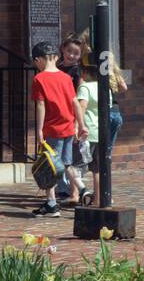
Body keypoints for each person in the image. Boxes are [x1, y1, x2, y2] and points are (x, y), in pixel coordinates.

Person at [30, 41, 88, 217]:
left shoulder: (39, 79)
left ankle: (52, 204)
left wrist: (39, 129)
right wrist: (81, 125)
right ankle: (83, 189)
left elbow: (41, 105)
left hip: (52, 129)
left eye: (35, 62)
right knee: (66, 163)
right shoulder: (65, 78)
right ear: (56, 57)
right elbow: (75, 103)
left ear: (38, 60)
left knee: (49, 166)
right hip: (68, 128)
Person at [77, 52, 129, 207]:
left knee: (91, 162)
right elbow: (124, 88)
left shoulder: (89, 84)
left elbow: (82, 105)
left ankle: (95, 195)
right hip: (113, 116)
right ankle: (105, 195)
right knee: (105, 156)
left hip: (99, 121)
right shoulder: (111, 76)